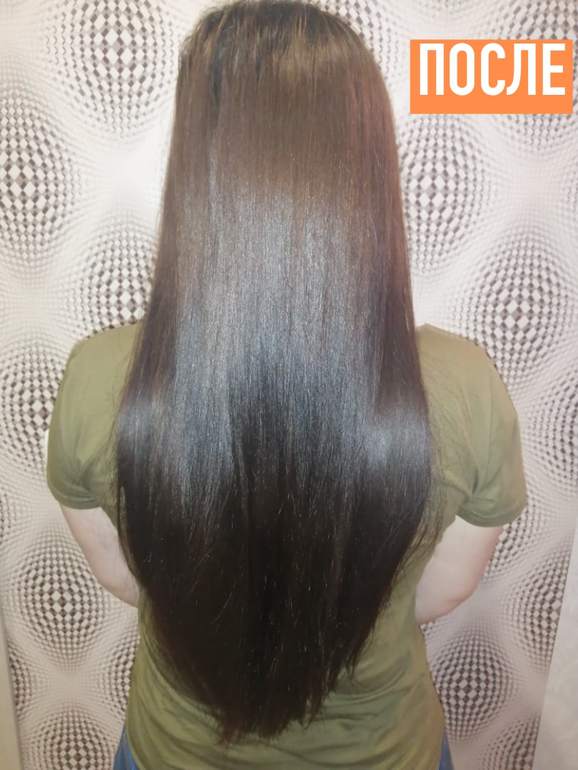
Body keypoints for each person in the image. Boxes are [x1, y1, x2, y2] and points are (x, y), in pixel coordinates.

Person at [45, 1, 528, 768]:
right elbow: (442, 592)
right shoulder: (465, 389)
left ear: (196, 164)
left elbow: (129, 581)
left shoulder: (99, 380)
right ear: (364, 165)